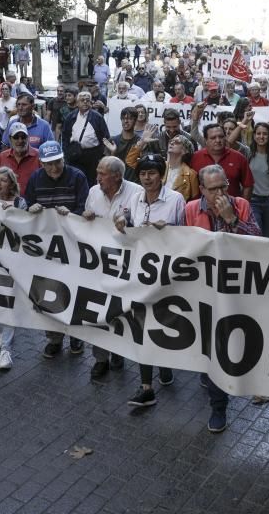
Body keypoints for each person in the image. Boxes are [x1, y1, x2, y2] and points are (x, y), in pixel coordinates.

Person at [185, 164, 262, 432]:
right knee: (211, 346)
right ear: (202, 189)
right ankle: (218, 407)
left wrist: (232, 220)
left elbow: (258, 243)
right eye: (213, 188)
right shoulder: (191, 209)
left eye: (223, 186)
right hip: (205, 290)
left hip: (236, 289)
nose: (220, 193)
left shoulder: (240, 205)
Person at [114, 153, 186, 406]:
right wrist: (122, 220)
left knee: (164, 322)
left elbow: (189, 235)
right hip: (140, 272)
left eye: (152, 173)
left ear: (162, 176)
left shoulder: (176, 200)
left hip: (167, 274)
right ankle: (146, 386)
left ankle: (164, 365)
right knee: (142, 324)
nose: (147, 178)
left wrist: (170, 230)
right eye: (143, 173)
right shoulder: (135, 198)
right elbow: (127, 219)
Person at [24, 141, 90, 359]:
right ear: (41, 163)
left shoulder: (77, 176)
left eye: (57, 163)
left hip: (72, 246)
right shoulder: (35, 178)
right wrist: (30, 208)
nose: (54, 168)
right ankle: (54, 339)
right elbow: (27, 204)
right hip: (47, 248)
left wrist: (71, 213)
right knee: (49, 294)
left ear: (63, 160)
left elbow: (84, 208)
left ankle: (76, 337)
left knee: (75, 292)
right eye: (49, 164)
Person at [83, 156, 143, 378]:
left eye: (102, 173)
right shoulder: (93, 193)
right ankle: (100, 358)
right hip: (99, 264)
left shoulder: (136, 192)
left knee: (121, 311)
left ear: (117, 176)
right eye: (97, 172)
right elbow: (85, 225)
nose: (97, 177)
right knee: (98, 310)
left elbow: (140, 227)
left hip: (127, 264)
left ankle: (118, 349)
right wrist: (86, 218)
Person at [0, 167, 27, 370]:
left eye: (3, 180)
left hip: (12, 261)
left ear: (11, 184)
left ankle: (6, 351)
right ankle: (4, 332)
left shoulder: (20, 202)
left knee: (8, 303)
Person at [190, 123, 254, 200]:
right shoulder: (195, 158)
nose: (218, 140)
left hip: (232, 208)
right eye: (213, 138)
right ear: (206, 140)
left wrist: (242, 206)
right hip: (202, 209)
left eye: (221, 137)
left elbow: (248, 185)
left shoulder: (239, 158)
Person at [0, 122, 41, 194]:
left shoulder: (39, 156)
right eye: (16, 137)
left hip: (33, 203)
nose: (20, 140)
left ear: (28, 138)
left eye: (23, 137)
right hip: (7, 203)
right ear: (10, 138)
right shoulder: (2, 157)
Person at [102, 107, 142, 180]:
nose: (126, 121)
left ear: (135, 121)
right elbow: (106, 167)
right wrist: (113, 153)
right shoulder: (112, 141)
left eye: (130, 118)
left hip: (134, 182)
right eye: (123, 118)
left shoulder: (140, 142)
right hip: (115, 181)